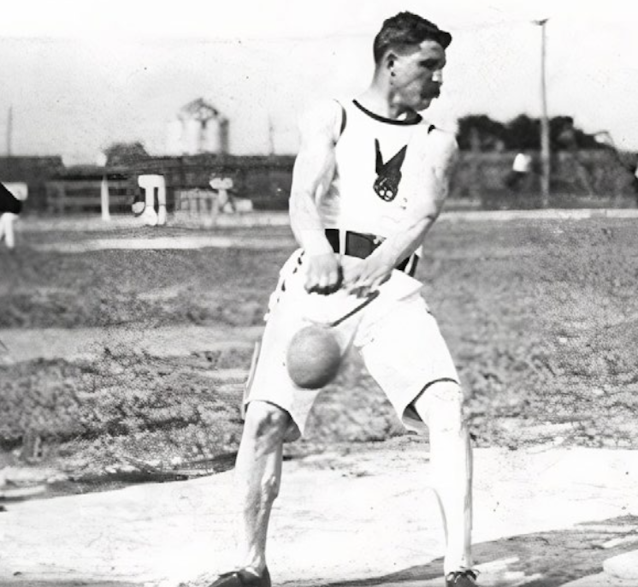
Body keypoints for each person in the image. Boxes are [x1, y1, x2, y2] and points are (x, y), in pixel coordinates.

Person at [208, 11, 477, 587]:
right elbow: (305, 193)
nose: (438, 81)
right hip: (316, 284)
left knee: (447, 408)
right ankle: (250, 568)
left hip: (391, 290)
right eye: (429, 66)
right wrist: (317, 250)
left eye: (442, 69)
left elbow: (422, 214)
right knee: (264, 421)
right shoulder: (332, 115)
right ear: (391, 62)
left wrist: (376, 267)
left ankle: (459, 569)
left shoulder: (438, 141)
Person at [0, 181, 24, 249]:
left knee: (6, 220)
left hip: (12, 212)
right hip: (9, 212)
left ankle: (10, 244)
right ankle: (10, 244)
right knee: (4, 221)